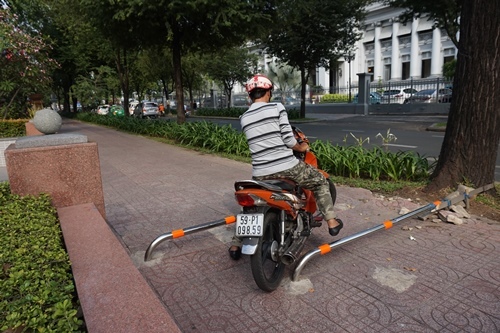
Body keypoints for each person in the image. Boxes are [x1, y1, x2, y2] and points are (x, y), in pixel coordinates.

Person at [228, 74, 343, 260]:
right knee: (320, 181)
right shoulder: (277, 107)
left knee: (252, 205)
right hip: (286, 166)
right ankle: (331, 221)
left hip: (260, 173)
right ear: (268, 92)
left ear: (250, 95)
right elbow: (289, 140)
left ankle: (236, 242)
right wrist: (302, 147)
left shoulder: (244, 117)